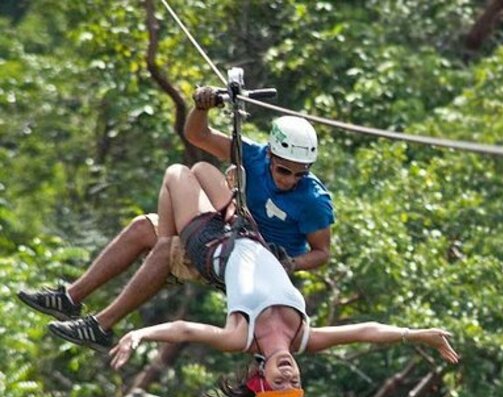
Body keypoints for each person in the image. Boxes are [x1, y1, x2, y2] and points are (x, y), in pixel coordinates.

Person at [108, 159, 458, 397]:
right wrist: (418, 335)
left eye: (280, 382)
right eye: (294, 381)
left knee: (176, 173)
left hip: (209, 244)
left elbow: (185, 330)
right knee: (202, 165)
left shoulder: (240, 337)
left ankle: (166, 247)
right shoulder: (304, 336)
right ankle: (165, 249)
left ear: (262, 380)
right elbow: (367, 332)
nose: (289, 374)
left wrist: (141, 335)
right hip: (245, 231)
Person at [18, 87, 334, 351]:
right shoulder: (252, 155)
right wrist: (200, 107)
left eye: (299, 174)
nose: (290, 179)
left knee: (171, 232)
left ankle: (102, 324)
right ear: (270, 155)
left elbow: (322, 253)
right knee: (145, 227)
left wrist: (291, 264)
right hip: (230, 233)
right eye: (283, 170)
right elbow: (198, 135)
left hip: (251, 263)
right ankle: (70, 297)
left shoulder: (312, 200)